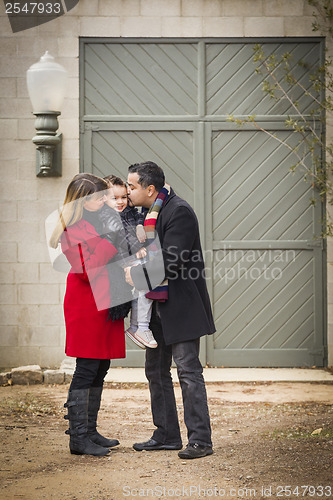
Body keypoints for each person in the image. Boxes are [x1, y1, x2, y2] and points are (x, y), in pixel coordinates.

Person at [124, 161, 216, 459]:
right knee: (156, 371)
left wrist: (135, 276)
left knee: (188, 371)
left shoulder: (178, 211)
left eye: (132, 186)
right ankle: (166, 435)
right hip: (156, 307)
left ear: (150, 189)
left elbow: (171, 261)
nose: (127, 191)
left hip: (182, 306)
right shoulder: (147, 214)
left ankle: (200, 440)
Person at [49, 173, 125, 457]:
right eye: (98, 197)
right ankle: (78, 438)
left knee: (100, 368)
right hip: (86, 304)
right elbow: (85, 269)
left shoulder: (101, 220)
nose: (105, 200)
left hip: (105, 300)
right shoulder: (71, 229)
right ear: (82, 200)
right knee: (86, 369)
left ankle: (90, 431)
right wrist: (111, 241)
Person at [99, 175, 157, 349]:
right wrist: (137, 249)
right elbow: (121, 239)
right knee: (145, 281)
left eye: (124, 197)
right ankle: (142, 327)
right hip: (121, 258)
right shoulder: (107, 217)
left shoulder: (127, 212)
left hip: (133, 255)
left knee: (141, 288)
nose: (120, 202)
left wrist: (140, 225)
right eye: (114, 198)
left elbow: (138, 217)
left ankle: (135, 326)